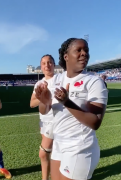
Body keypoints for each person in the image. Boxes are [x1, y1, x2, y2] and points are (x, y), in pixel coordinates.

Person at [35, 38, 108, 180]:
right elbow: (44, 110)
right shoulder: (56, 80)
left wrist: (67, 102)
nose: (84, 53)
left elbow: (95, 122)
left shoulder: (94, 82)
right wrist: (44, 102)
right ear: (66, 56)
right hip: (59, 144)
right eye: (79, 50)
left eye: (86, 50)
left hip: (80, 148)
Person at [30, 54, 56, 180]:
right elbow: (31, 103)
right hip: (44, 122)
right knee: (49, 153)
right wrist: (42, 99)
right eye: (44, 63)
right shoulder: (39, 83)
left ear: (54, 64)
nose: (47, 65)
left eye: (50, 62)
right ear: (41, 67)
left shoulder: (61, 79)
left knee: (44, 153)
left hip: (57, 121)